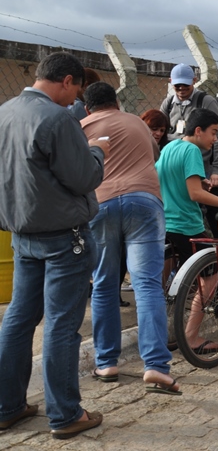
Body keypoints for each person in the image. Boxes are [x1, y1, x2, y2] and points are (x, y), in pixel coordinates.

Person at [0, 52, 108, 438]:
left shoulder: (5, 112)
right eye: (77, 88)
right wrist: (99, 151)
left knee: (18, 318)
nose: (77, 97)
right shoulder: (56, 119)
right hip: (64, 236)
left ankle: (7, 406)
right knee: (62, 325)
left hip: (22, 233)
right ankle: (65, 414)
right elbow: (84, 178)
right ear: (66, 81)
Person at [80, 83, 179, 395]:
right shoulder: (137, 122)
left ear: (87, 107)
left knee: (104, 283)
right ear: (117, 102)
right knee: (147, 284)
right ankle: (156, 366)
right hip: (144, 203)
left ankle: (107, 362)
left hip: (101, 204)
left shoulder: (80, 127)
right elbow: (153, 156)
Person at [156, 108, 218, 352]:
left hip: (167, 223)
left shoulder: (170, 147)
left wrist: (201, 182)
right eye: (212, 133)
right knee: (210, 279)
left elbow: (167, 180)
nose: (215, 139)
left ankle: (171, 333)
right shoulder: (191, 151)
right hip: (188, 225)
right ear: (197, 131)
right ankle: (191, 338)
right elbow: (194, 194)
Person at [160, 63, 218, 188]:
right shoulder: (168, 103)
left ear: (194, 81)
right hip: (174, 165)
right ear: (170, 82)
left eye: (185, 84)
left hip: (199, 166)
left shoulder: (206, 101)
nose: (181, 88)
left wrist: (217, 170)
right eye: (177, 85)